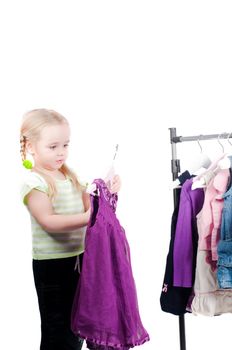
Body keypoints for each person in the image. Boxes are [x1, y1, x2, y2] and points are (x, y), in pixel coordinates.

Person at [19, 108, 121, 350]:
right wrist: (88, 217)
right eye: (53, 147)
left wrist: (108, 189)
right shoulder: (34, 182)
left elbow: (90, 204)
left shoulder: (70, 177)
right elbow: (48, 221)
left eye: (65, 145)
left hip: (80, 260)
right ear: (31, 147)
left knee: (79, 326)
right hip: (53, 267)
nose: (61, 152)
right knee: (59, 331)